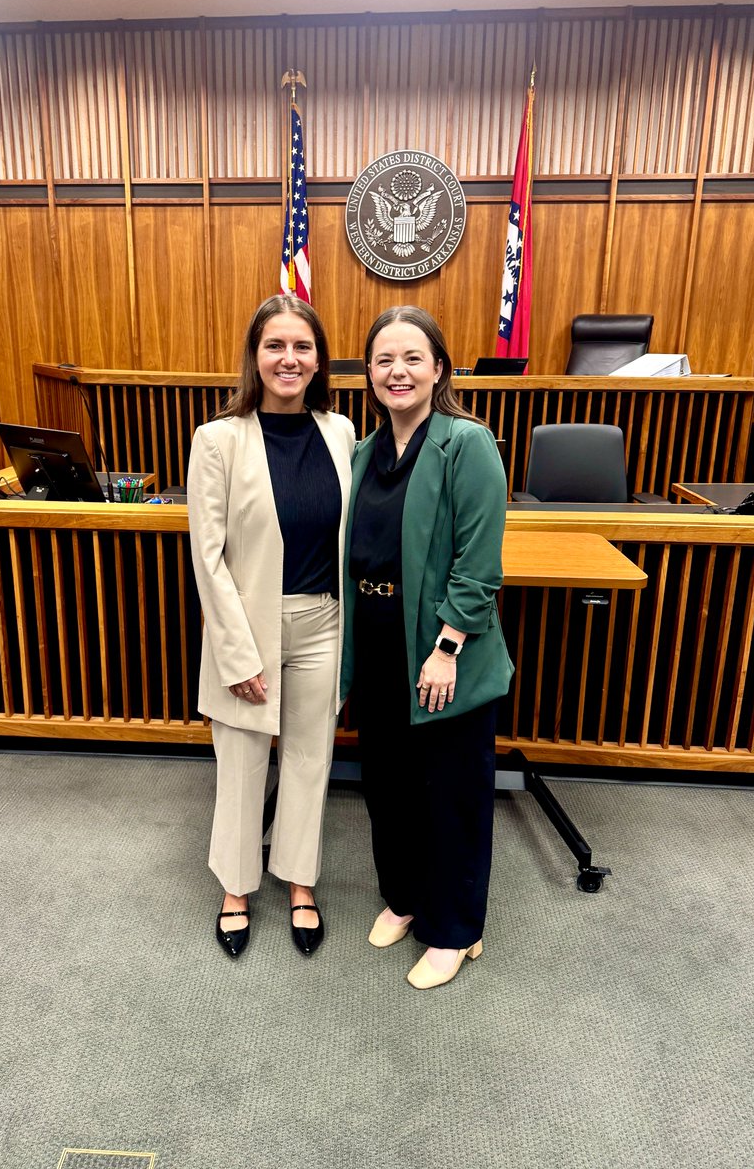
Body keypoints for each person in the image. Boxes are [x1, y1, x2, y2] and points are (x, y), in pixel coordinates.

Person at [340, 305, 513, 990]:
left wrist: (447, 646)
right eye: (384, 360)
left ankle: (454, 928)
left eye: (412, 357)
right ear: (370, 375)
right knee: (389, 789)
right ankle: (408, 900)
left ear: (438, 368)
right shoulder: (363, 452)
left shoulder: (466, 443)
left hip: (444, 651)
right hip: (379, 644)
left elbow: (479, 562)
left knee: (451, 794)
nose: (397, 371)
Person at [187, 295, 355, 959]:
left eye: (303, 347)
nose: (290, 358)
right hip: (248, 629)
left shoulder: (340, 431)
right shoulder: (219, 438)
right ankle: (235, 886)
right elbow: (209, 555)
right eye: (275, 346)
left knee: (311, 759)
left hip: (324, 623)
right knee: (242, 760)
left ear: (319, 360)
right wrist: (237, 654)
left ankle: (300, 881)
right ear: (255, 357)